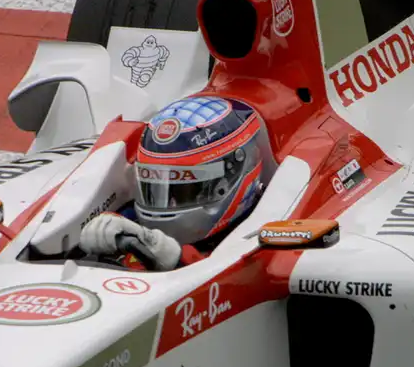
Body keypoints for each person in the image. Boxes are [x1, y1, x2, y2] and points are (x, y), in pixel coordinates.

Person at [80, 95, 274, 271]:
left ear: (229, 179)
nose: (168, 204)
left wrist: (174, 257)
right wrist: (99, 228)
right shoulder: (132, 226)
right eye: (154, 189)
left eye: (185, 191)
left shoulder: (270, 235)